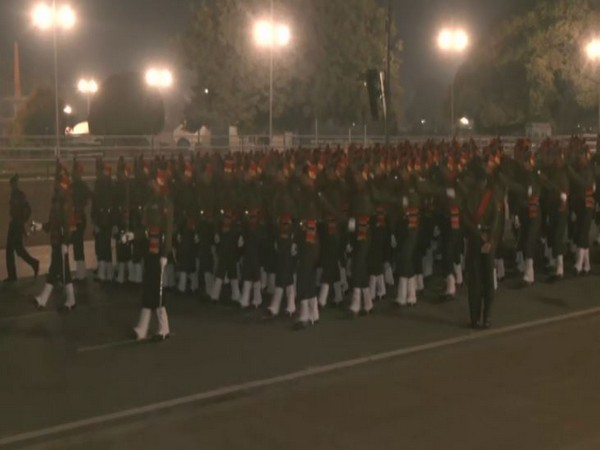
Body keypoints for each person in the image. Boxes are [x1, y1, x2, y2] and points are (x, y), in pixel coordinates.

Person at [133, 169, 174, 341]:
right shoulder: (149, 203)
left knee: (156, 289)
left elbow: (168, 231)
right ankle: (143, 327)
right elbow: (144, 228)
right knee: (149, 287)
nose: (153, 185)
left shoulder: (166, 204)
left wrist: (165, 253)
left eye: (156, 182)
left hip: (158, 250)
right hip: (149, 249)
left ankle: (162, 327)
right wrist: (133, 235)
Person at [33, 173, 77, 311]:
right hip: (56, 240)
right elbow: (53, 222)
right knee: (61, 271)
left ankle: (45, 299)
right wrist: (42, 226)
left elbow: (66, 225)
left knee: (57, 271)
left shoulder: (63, 203)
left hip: (59, 241)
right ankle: (68, 300)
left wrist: (65, 242)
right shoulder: (58, 202)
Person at [5, 173, 39, 283]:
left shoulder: (20, 195)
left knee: (16, 250)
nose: (12, 186)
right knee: (13, 250)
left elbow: (27, 209)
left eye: (13, 183)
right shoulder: (14, 194)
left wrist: (23, 221)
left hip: (17, 224)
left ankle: (32, 264)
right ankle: (13, 274)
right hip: (14, 223)